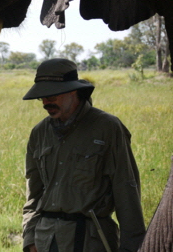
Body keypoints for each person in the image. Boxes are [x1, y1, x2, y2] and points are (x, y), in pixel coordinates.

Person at [21, 59, 146, 252]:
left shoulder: (108, 128)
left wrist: (132, 248)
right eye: (42, 96)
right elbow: (33, 194)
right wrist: (30, 238)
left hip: (91, 240)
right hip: (45, 240)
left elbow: (127, 191)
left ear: (73, 91)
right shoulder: (39, 133)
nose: (46, 102)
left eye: (51, 95)